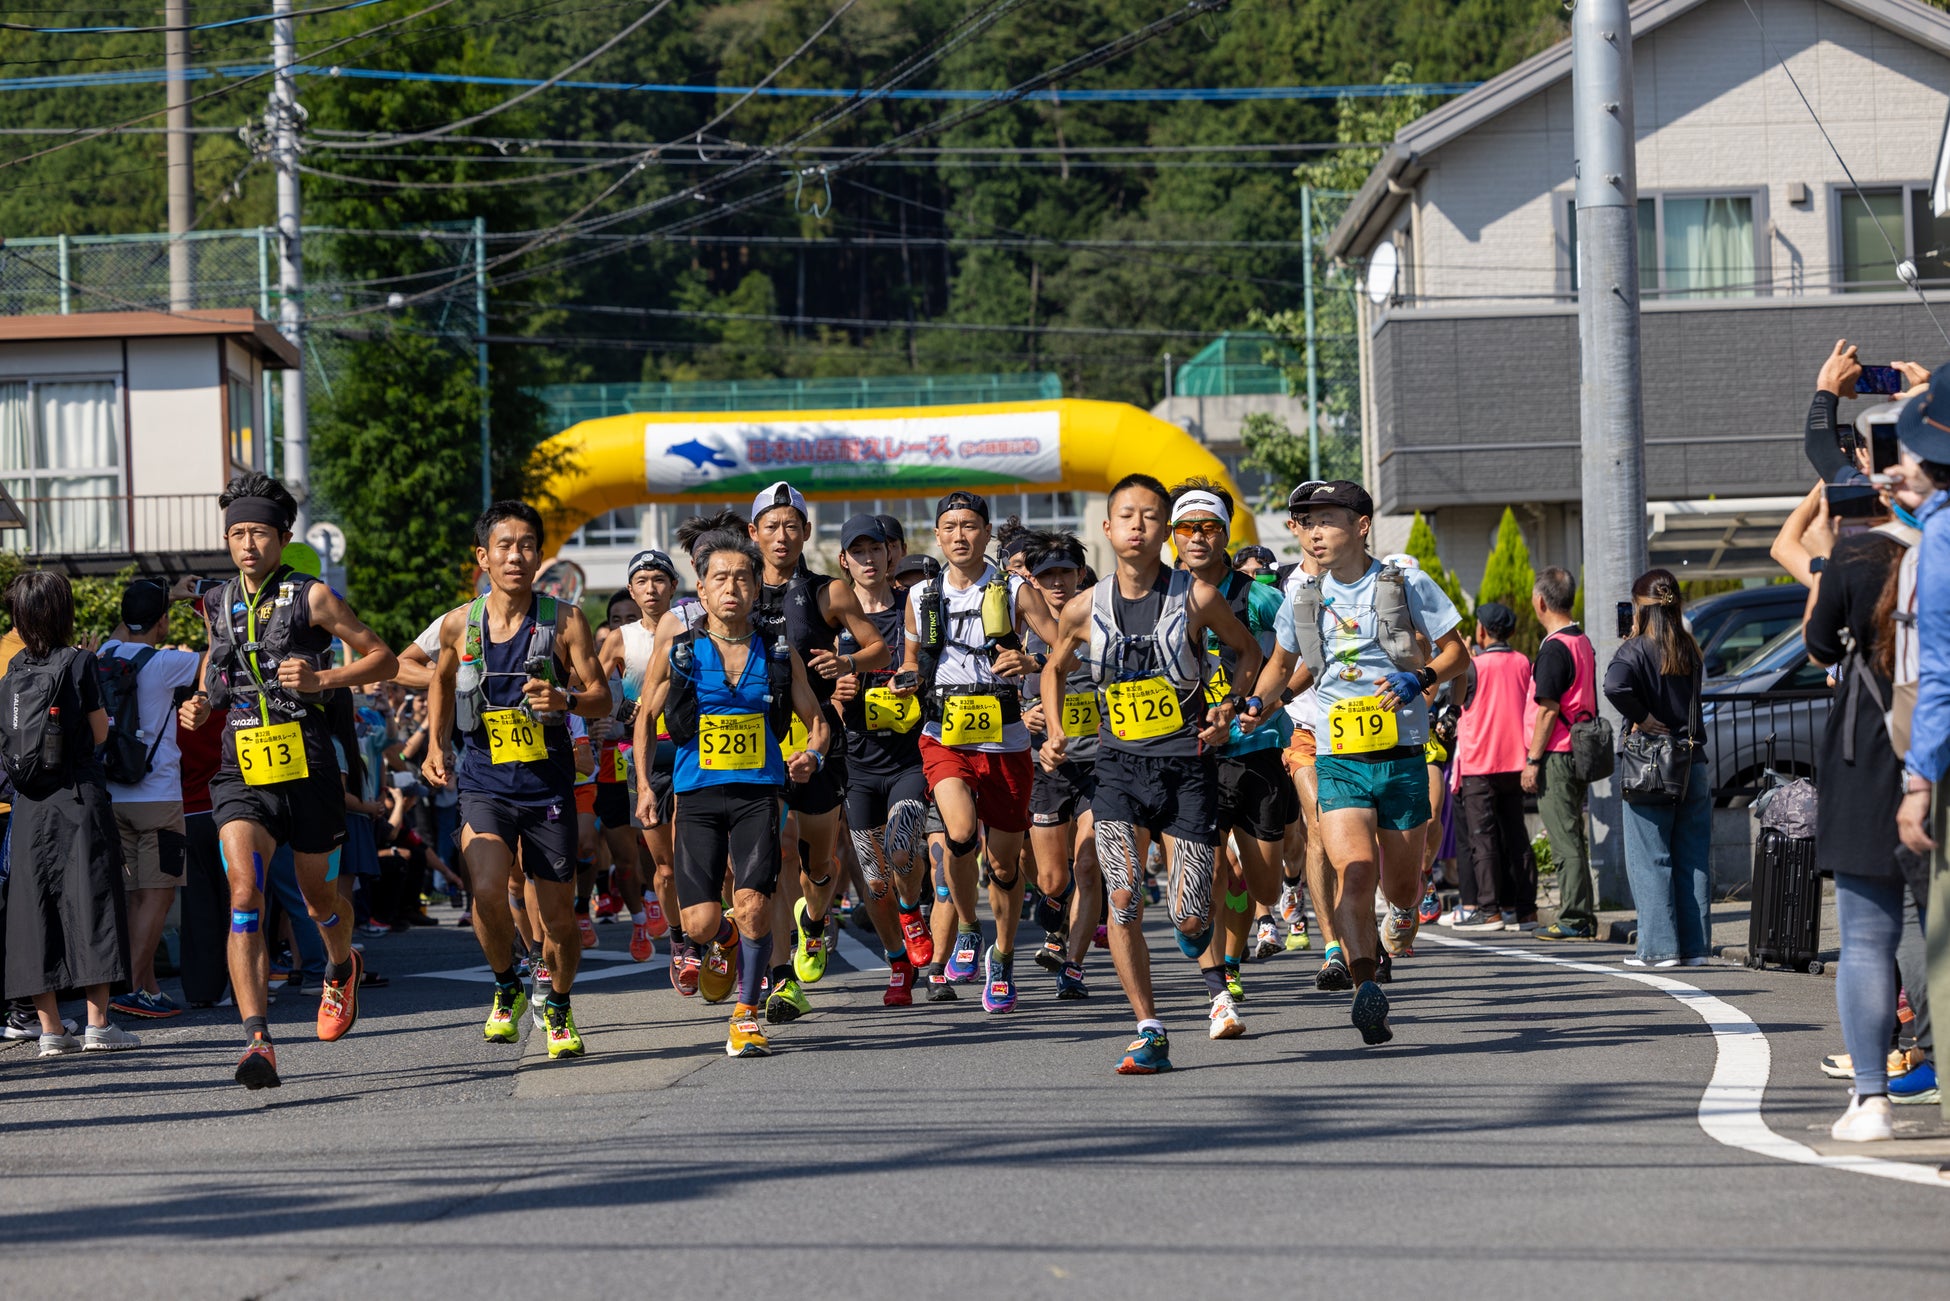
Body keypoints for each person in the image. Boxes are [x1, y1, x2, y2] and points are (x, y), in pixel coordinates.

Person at [179, 473, 398, 1089]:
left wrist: (323, 681)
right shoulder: (219, 601)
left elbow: (381, 657)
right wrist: (200, 705)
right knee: (244, 892)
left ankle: (339, 965)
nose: (247, 545)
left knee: (317, 899)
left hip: (308, 767)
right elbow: (217, 671)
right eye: (236, 534)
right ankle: (257, 1042)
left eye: (258, 533)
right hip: (240, 766)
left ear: (282, 537)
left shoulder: (314, 597)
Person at [1038, 475, 1265, 1070]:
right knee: (1124, 898)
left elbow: (1248, 653)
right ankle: (1149, 1026)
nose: (1137, 525)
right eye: (1125, 516)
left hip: (1186, 768)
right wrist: (1057, 731)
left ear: (1164, 531)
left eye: (1149, 517)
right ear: (1107, 529)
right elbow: (1054, 670)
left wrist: (1230, 708)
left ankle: (1203, 951)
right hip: (1115, 768)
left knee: (1190, 917)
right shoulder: (1084, 607)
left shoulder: (1196, 598)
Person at [1254, 480, 1468, 1046]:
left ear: (1362, 525)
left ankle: (1403, 913)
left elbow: (1456, 652)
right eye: (1307, 521)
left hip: (1400, 754)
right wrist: (1255, 702)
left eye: (1327, 520)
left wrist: (1420, 677)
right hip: (1338, 753)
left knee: (1399, 887)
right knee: (1355, 869)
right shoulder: (1303, 594)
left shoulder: (1403, 581)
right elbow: (1283, 664)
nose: (1314, 532)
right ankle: (1365, 985)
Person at [423, 500, 612, 1060]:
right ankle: (506, 985)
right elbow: (439, 681)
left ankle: (557, 1002)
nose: (515, 556)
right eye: (503, 546)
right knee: (485, 889)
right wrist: (436, 745)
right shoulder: (461, 622)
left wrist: (567, 697)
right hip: (483, 781)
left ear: (539, 555)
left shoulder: (565, 620)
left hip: (547, 785)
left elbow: (603, 696)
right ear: (483, 557)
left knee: (558, 919)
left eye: (526, 545)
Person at [634, 528, 831, 1057]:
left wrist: (811, 754)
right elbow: (646, 715)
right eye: (720, 578)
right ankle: (721, 945)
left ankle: (746, 1013)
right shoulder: (680, 647)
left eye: (743, 578)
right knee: (700, 923)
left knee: (754, 906)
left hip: (757, 794)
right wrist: (644, 788)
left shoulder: (776, 648)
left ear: (755, 588)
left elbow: (817, 721)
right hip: (695, 795)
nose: (732, 588)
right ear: (700, 590)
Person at [892, 490, 1057, 1015]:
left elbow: (1061, 652)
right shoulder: (921, 596)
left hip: (1006, 738)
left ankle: (1002, 958)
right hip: (945, 734)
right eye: (949, 527)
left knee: (1005, 865)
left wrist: (1030, 663)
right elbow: (913, 659)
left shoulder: (1014, 590)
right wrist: (904, 680)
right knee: (959, 834)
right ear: (937, 536)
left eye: (969, 525)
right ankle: (967, 927)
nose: (959, 535)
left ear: (986, 533)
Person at [746, 482, 888, 1023]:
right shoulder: (739, 589)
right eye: (771, 526)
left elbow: (877, 647)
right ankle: (783, 980)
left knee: (820, 862)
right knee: (777, 852)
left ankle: (815, 920)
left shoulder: (829, 592)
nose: (782, 536)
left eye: (792, 526)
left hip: (820, 735)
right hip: (759, 744)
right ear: (754, 533)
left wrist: (848, 665)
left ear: (806, 532)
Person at [1, 571, 142, 1057]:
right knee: (91, 901)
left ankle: (50, 1031)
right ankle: (99, 1025)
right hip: (77, 798)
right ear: (62, 612)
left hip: (28, 806)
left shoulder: (14, 669)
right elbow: (100, 733)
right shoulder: (80, 662)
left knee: (34, 909)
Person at [1163, 479, 1291, 1009]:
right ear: (1173, 536)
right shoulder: (1160, 596)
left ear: (1225, 533)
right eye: (1187, 528)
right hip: (1192, 755)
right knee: (1211, 868)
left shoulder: (1260, 596)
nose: (1197, 538)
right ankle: (1221, 979)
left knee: (1262, 885)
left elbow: (1295, 660)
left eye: (1209, 527)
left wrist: (1259, 705)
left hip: (1254, 749)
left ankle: (1238, 947)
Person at [830, 514, 933, 1006]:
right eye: (859, 551)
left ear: (891, 554)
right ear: (843, 560)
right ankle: (897, 964)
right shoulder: (833, 620)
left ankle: (912, 909)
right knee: (872, 879)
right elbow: (812, 686)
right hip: (858, 760)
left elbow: (937, 668)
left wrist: (915, 679)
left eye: (877, 550)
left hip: (909, 755)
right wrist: (837, 690)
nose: (869, 560)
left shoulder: (912, 611)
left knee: (900, 850)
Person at [99, 579, 203, 1020]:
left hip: (111, 796)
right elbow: (217, 656)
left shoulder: (104, 652)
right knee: (158, 895)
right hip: (158, 797)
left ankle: (146, 985)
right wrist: (198, 600)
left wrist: (156, 603)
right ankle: (129, 990)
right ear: (162, 621)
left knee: (129, 896)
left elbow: (126, 630)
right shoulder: (169, 665)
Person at [1604, 569, 1710, 971]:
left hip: (1650, 764)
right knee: (1692, 857)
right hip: (1692, 760)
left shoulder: (1634, 650)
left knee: (1651, 856)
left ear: (1641, 609)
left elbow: (1614, 687)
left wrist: (1643, 717)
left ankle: (1659, 949)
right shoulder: (1688, 647)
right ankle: (1696, 948)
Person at [1018, 529, 1101, 999]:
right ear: (1033, 579)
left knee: (1088, 865)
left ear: (1079, 574)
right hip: (1044, 762)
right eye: (1046, 574)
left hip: (1099, 761)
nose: (1057, 582)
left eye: (1064, 572)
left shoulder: (1103, 617)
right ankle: (1051, 908)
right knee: (1053, 877)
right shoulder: (1017, 624)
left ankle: (1073, 965)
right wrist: (1020, 712)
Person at [598, 550, 679, 967]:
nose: (651, 588)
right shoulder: (620, 638)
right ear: (632, 589)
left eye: (659, 579)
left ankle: (708, 934)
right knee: (662, 866)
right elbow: (588, 689)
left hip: (691, 750)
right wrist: (616, 710)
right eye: (642, 581)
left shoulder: (695, 629)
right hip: (641, 757)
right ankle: (677, 933)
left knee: (700, 854)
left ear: (674, 586)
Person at [1447, 601, 1535, 931]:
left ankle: (1489, 909)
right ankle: (1526, 910)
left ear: (1482, 631)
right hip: (1516, 760)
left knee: (1482, 838)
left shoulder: (1472, 667)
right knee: (1517, 835)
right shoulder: (1524, 662)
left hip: (1479, 762)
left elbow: (1456, 702)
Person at [1527, 567, 1602, 942]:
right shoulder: (1582, 640)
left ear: (1541, 602)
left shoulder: (1554, 647)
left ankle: (1573, 916)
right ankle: (1581, 914)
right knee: (1573, 833)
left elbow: (1547, 710)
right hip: (1580, 747)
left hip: (1557, 751)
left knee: (1564, 837)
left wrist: (1532, 761)